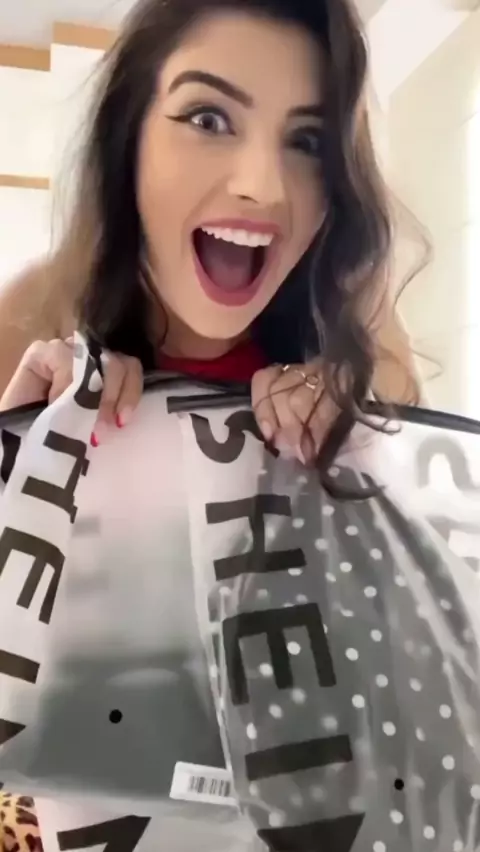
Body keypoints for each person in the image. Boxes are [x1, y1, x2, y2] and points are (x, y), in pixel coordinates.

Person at [0, 0, 422, 846]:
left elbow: (405, 620)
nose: (262, 185)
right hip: (91, 802)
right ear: (129, 135)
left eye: (308, 140)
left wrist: (355, 434)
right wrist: (21, 452)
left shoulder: (359, 329)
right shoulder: (32, 312)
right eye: (207, 117)